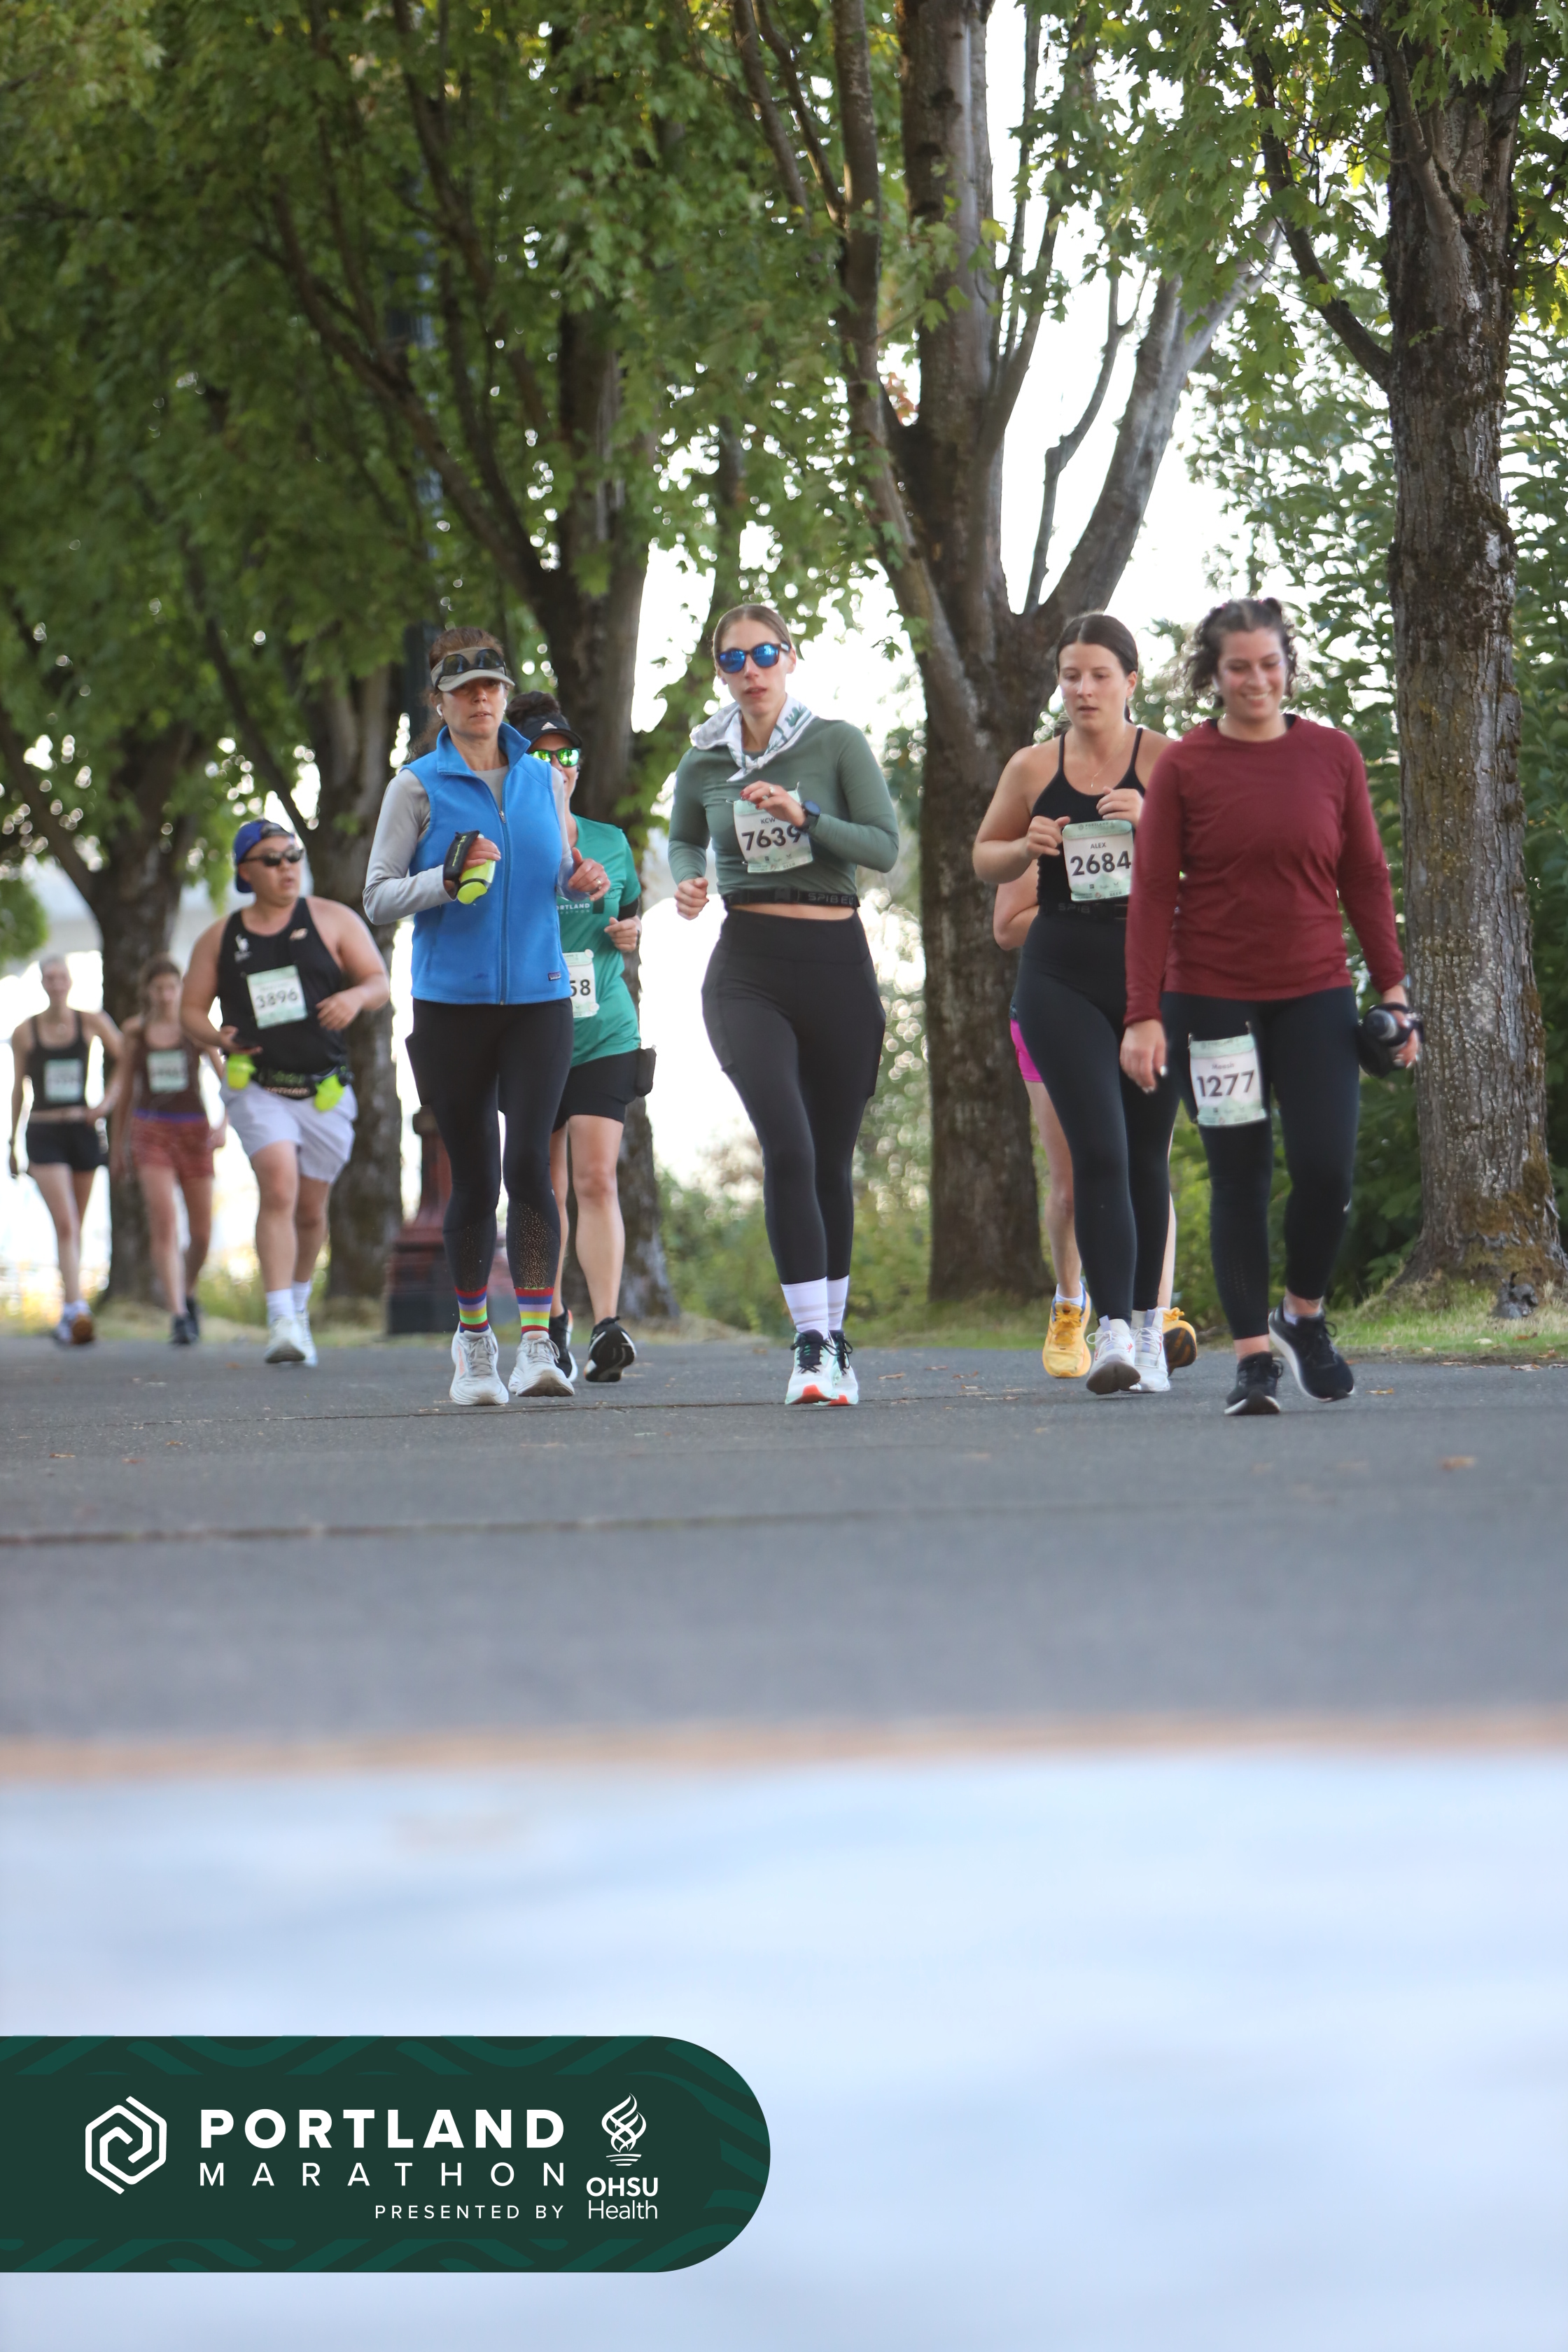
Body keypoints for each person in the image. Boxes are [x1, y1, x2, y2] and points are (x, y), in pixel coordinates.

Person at [1121, 597, 1418, 1416]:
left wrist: (1392, 990)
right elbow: (1151, 891)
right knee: (1239, 1175)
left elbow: (1365, 876)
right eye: (1237, 667)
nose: (1255, 680)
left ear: (1287, 665)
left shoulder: (1331, 754)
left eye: (1268, 664)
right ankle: (1252, 1358)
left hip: (1314, 991)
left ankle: (1302, 1315)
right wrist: (1141, 1012)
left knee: (1325, 1166)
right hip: (1208, 999)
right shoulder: (1185, 765)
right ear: (1212, 675)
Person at [363, 629, 610, 1406]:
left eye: (492, 686)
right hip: (452, 1006)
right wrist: (444, 879)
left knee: (530, 1166)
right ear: (438, 702)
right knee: (473, 1178)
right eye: (463, 689)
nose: (481, 698)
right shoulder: (415, 787)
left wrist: (581, 880)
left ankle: (537, 1342)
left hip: (540, 1000)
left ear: (506, 693)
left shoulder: (544, 779)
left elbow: (557, 874)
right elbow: (376, 895)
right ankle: (474, 1341)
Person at [669, 603, 899, 1406]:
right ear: (720, 672)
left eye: (764, 653)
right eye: (734, 659)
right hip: (749, 967)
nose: (751, 671)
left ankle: (833, 1341)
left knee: (829, 1161)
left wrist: (807, 816)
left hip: (836, 962)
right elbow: (681, 836)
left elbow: (883, 846)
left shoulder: (835, 743)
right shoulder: (703, 760)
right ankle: (809, 1344)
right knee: (789, 1148)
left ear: (790, 658)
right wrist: (689, 878)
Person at [975, 615, 1180, 1396]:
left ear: (1131, 680)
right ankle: (1114, 1333)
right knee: (1097, 1150)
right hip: (1059, 972)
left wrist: (1154, 823)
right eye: (1070, 676)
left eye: (1098, 675)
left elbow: (1220, 862)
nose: (1083, 689)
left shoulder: (1166, 761)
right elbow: (984, 855)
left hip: (1151, 972)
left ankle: (1151, 1331)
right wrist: (1023, 847)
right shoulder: (1033, 765)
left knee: (1143, 1155)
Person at [183, 818, 390, 1368]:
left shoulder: (332, 919)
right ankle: (279, 1319)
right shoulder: (220, 937)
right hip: (258, 1086)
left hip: (324, 1089)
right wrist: (217, 1037)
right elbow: (189, 1011)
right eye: (272, 860)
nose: (287, 867)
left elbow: (378, 981)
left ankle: (298, 1309)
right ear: (246, 873)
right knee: (278, 1185)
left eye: (293, 855)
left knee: (311, 1210)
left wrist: (354, 999)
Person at [993, 872, 1196, 1376]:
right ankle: (1070, 1301)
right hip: (1060, 1000)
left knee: (1146, 1163)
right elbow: (1007, 926)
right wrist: (1087, 909)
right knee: (1075, 1181)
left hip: (1147, 991)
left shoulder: (1157, 824)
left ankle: (1152, 1315)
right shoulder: (1049, 831)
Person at [505, 690, 643, 1387]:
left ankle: (607, 1325)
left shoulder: (611, 839)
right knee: (543, 1185)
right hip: (530, 1030)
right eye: (541, 755)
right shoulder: (503, 838)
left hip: (602, 1028)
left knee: (595, 1177)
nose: (559, 766)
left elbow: (626, 917)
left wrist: (630, 931)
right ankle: (551, 1322)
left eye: (568, 754)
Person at [104, 954, 227, 1345]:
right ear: (148, 992)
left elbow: (228, 1080)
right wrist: (117, 1146)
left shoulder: (195, 1029)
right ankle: (177, 1315)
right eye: (158, 988)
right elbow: (126, 1090)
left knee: (202, 1233)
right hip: (150, 1131)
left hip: (194, 1131)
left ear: (180, 989)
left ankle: (187, 1291)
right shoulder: (135, 1032)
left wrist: (224, 1124)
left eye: (172, 987)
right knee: (164, 1221)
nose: (165, 995)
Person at [8, 951, 119, 1345]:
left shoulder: (90, 1021)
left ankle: (67, 1312)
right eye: (49, 977)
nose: (56, 983)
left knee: (74, 1226)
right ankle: (76, 1310)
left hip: (82, 1131)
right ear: (42, 983)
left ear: (70, 981)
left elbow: (127, 1057)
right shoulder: (25, 1031)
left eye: (61, 976)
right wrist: (12, 1143)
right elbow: (18, 1089)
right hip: (43, 1132)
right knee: (67, 1222)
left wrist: (105, 1104)